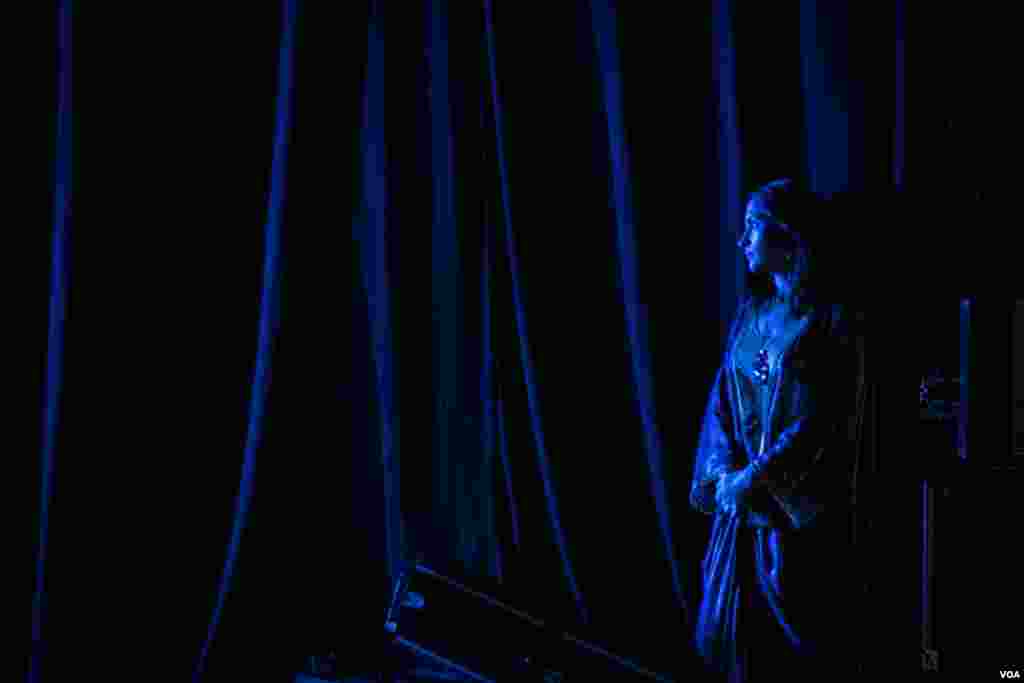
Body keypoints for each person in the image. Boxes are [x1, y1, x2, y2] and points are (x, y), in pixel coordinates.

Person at [689, 179, 864, 682]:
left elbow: (819, 423)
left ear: (788, 234)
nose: (742, 240)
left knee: (790, 653)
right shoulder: (753, 315)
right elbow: (724, 399)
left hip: (787, 521)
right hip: (738, 512)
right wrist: (724, 472)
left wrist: (755, 479)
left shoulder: (827, 323)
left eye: (753, 226)